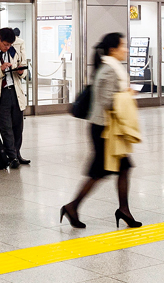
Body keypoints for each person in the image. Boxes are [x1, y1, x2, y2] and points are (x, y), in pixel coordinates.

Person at [61, 32, 143, 230]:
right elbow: (107, 101)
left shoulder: (111, 68)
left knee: (122, 168)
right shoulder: (109, 70)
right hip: (104, 130)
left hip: (108, 129)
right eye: (123, 46)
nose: (126, 49)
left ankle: (123, 209)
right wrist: (127, 94)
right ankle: (72, 206)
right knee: (99, 172)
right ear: (113, 49)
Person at [0, 27, 30, 168]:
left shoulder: (13, 52)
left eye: (10, 45)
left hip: (15, 92)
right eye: (5, 44)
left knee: (18, 126)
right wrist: (0, 69)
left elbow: (23, 74)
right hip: (0, 93)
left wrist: (21, 72)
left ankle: (17, 153)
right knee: (6, 127)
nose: (7, 47)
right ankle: (11, 156)